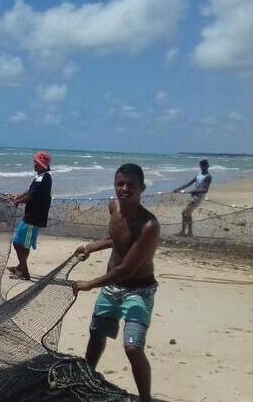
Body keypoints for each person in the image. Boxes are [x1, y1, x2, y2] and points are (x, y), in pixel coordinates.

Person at [72, 163, 160, 402]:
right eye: (120, 183)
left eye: (131, 185)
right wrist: (91, 247)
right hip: (112, 289)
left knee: (133, 347)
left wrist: (89, 284)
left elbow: (125, 269)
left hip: (138, 292)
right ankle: (86, 379)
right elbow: (117, 237)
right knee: (96, 335)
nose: (125, 188)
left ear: (142, 188)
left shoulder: (149, 225)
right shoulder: (114, 208)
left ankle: (145, 398)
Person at [9, 151, 52, 280]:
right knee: (22, 243)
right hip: (32, 216)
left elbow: (31, 196)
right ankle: (20, 267)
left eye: (37, 163)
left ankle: (24, 271)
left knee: (19, 244)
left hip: (33, 218)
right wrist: (19, 196)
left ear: (43, 165)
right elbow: (29, 191)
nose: (35, 164)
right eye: (35, 162)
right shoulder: (40, 177)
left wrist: (17, 201)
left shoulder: (44, 179)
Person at [173, 159, 211, 237]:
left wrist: (193, 191)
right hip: (194, 196)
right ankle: (190, 233)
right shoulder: (199, 174)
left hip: (198, 197)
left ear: (207, 166)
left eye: (203, 166)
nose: (202, 167)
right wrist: (178, 189)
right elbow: (189, 183)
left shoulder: (208, 177)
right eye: (201, 166)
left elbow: (205, 189)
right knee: (188, 213)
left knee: (184, 213)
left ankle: (183, 232)